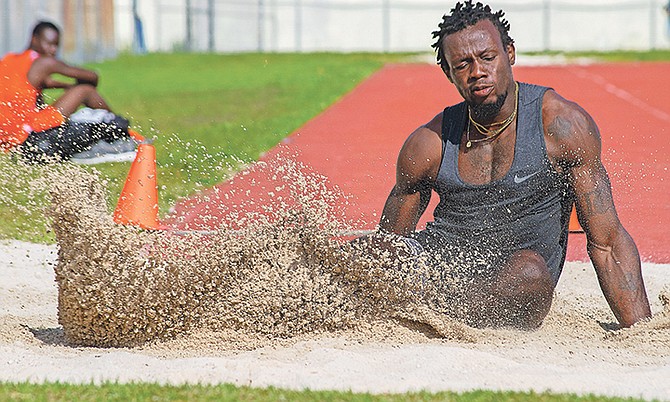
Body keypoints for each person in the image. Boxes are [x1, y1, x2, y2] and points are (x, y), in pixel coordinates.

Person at [374, 1, 651, 330]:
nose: (477, 72)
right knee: (367, 253)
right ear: (449, 73)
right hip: (442, 270)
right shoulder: (428, 143)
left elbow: (607, 241)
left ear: (510, 53)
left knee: (529, 273)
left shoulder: (562, 125)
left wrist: (641, 331)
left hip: (516, 281)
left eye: (487, 58)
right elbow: (388, 246)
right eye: (462, 64)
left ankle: (435, 315)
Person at [0, 20, 141, 164]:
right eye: (49, 44)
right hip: (31, 136)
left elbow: (32, 85)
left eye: (56, 45)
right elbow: (92, 76)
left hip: (10, 141)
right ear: (34, 39)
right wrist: (74, 87)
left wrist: (64, 86)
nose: (52, 50)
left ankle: (116, 131)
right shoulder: (44, 62)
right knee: (85, 90)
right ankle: (122, 133)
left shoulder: (9, 59)